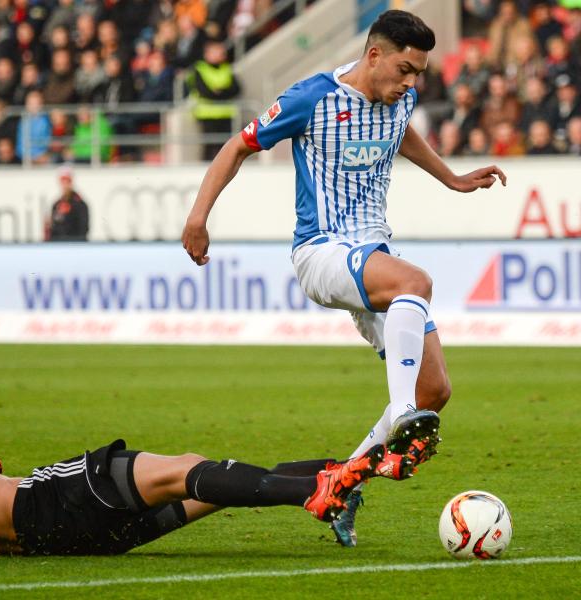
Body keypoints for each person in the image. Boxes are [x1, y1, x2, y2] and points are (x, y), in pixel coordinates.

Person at [181, 10, 506, 548]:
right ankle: (401, 412)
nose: (411, 82)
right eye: (405, 69)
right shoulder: (311, 97)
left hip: (372, 255)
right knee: (415, 284)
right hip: (322, 252)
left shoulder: (400, 99)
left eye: (418, 74)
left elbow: (400, 134)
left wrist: (450, 178)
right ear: (374, 54)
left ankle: (343, 482)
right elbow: (238, 145)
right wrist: (198, 216)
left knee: (435, 389)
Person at [0, 380, 435, 563]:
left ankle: (343, 475)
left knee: (206, 487)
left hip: (59, 543)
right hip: (46, 503)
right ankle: (323, 491)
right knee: (183, 467)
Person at [190, 39, 241, 161]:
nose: (221, 54)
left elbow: (236, 89)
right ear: (207, 53)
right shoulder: (199, 68)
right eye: (217, 51)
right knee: (209, 146)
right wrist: (223, 92)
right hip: (207, 115)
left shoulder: (226, 68)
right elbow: (204, 91)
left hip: (226, 114)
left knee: (227, 147)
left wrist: (218, 91)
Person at [44, 166, 89, 241]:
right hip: (59, 246)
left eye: (67, 181)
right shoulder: (56, 204)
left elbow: (83, 229)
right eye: (63, 181)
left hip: (75, 245)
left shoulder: (80, 204)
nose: (65, 185)